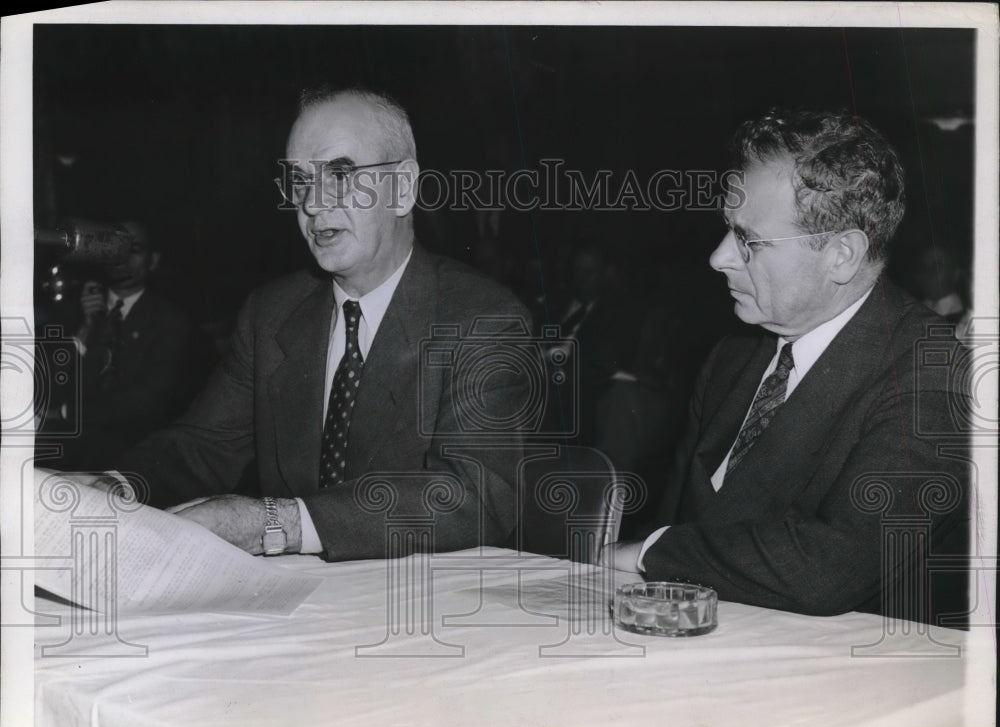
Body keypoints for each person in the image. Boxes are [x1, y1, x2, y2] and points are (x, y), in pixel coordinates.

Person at [117, 87, 531, 561]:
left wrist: (277, 523)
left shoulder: (483, 318)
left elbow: (475, 497)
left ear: (402, 188)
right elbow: (203, 446)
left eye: (340, 174)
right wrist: (118, 486)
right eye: (299, 181)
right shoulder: (272, 312)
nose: (312, 204)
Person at [604, 109, 969, 625]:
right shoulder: (732, 357)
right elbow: (687, 529)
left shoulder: (937, 374)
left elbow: (833, 567)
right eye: (728, 231)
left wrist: (649, 552)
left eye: (749, 240)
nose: (719, 257)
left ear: (841, 254)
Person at [57, 221, 198, 470]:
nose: (122, 258)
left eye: (134, 249)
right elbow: (47, 382)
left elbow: (150, 404)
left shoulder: (170, 321)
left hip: (134, 460)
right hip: (65, 456)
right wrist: (84, 331)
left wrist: (67, 412)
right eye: (114, 248)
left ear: (152, 261)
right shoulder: (71, 308)